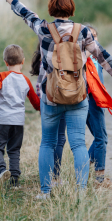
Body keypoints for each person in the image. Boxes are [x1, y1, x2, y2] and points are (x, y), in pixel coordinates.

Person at [0, 0, 112, 198]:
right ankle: (81, 191)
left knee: (47, 143)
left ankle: (46, 191)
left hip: (51, 97)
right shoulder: (84, 32)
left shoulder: (44, 29)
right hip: (78, 96)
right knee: (78, 144)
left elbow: (26, 13)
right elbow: (104, 58)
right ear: (71, 8)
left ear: (51, 8)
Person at [0, 44, 40, 187]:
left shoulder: (1, 76)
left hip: (3, 119)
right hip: (18, 121)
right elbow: (36, 104)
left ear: (6, 62)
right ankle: (14, 179)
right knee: (14, 149)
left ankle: (1, 169)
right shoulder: (26, 80)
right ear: (23, 61)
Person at [83, 25, 112, 190]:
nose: (93, 40)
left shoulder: (98, 58)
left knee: (100, 137)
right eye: (89, 37)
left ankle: (84, 168)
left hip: (97, 100)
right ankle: (99, 179)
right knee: (101, 138)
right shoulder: (84, 59)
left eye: (95, 36)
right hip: (89, 100)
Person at [31, 42, 66, 183]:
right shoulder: (58, 59)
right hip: (60, 100)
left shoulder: (42, 59)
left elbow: (39, 85)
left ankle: (48, 179)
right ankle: (55, 176)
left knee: (48, 141)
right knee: (59, 139)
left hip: (46, 102)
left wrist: (42, 104)